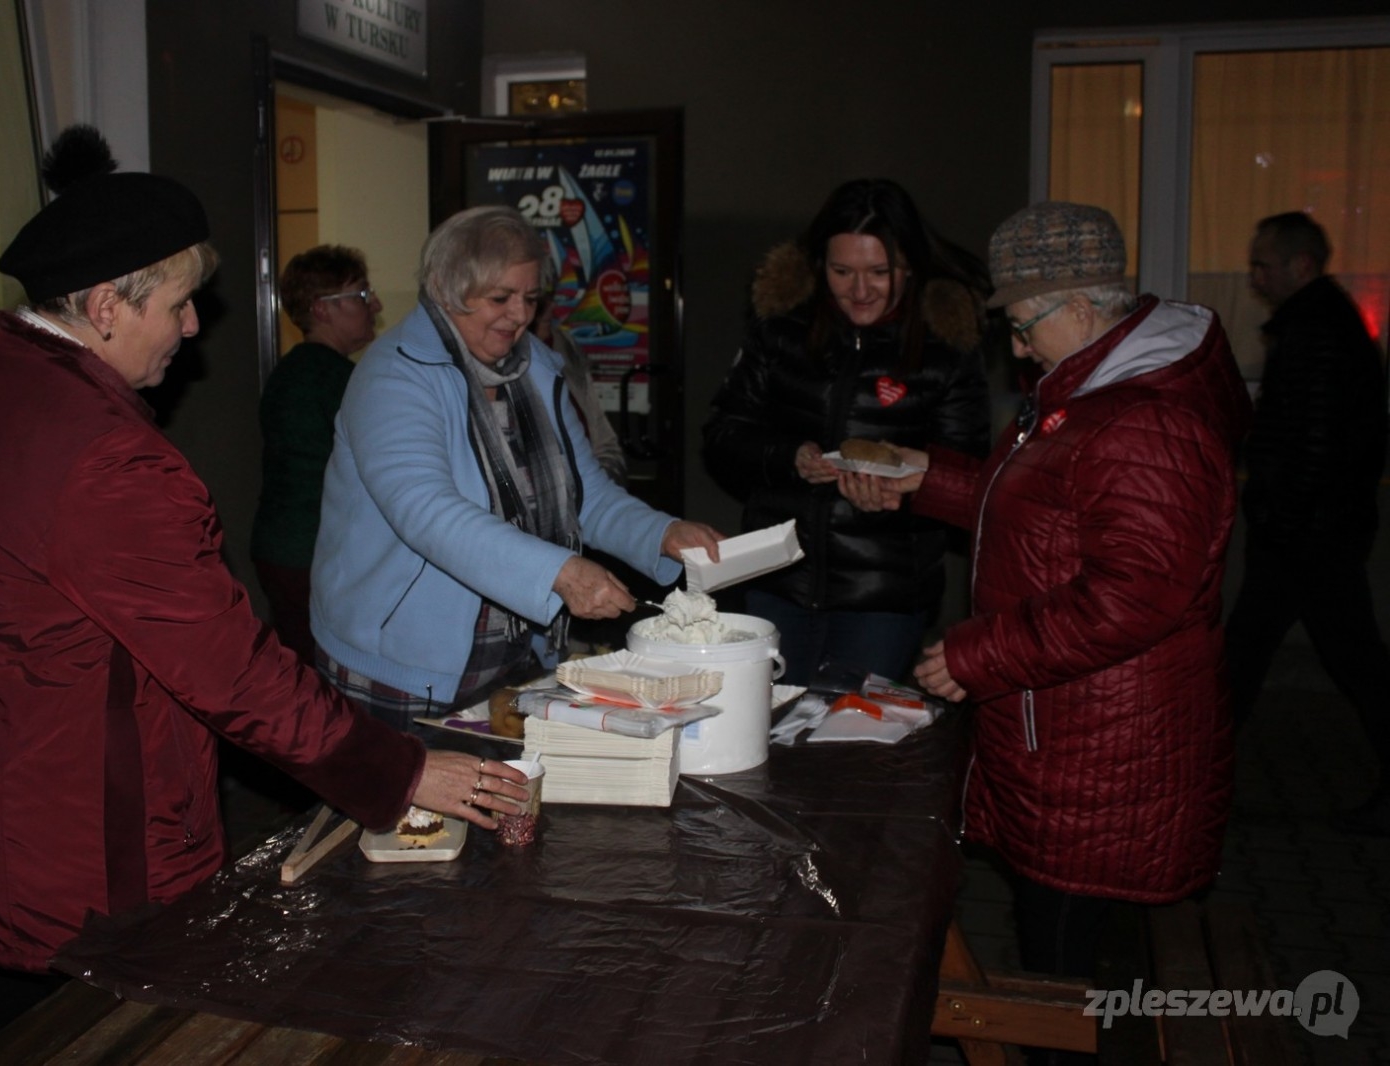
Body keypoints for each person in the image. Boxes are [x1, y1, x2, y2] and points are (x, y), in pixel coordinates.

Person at [0, 127, 526, 1066]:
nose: (192, 328)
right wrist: (397, 771)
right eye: (180, 304)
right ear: (107, 305)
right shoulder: (108, 457)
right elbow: (234, 673)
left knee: (42, 984)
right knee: (117, 1000)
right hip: (79, 807)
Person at [852, 203, 1250, 1063]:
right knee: (1073, 968)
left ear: (1079, 305)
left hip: (1105, 754)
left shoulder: (1145, 418)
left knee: (1068, 985)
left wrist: (978, 654)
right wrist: (926, 477)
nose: (1019, 346)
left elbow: (1136, 595)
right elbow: (1043, 510)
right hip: (1076, 735)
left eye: (1025, 324)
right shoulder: (1095, 392)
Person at [309, 205, 723, 730]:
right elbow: (426, 511)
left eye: (530, 298)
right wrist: (559, 572)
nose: (519, 315)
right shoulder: (393, 376)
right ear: (446, 289)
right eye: (500, 297)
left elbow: (584, 494)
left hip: (513, 649)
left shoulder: (535, 369)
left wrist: (661, 533)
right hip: (405, 660)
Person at [701, 178, 991, 686]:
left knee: (855, 730)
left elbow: (969, 480)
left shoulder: (946, 346)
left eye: (880, 272)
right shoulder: (781, 327)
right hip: (777, 581)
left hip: (884, 599)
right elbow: (723, 438)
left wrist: (901, 498)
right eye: (842, 272)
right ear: (820, 266)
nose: (860, 291)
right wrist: (789, 457)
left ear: (910, 266)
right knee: (770, 724)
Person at [1225, 211, 1390, 837]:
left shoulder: (1315, 331)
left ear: (1301, 265)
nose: (1255, 278)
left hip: (1306, 537)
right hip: (1314, 533)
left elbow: (1313, 444)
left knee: (1335, 660)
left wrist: (1279, 516)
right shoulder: (1322, 325)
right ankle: (1193, 777)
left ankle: (1190, 780)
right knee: (1338, 659)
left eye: (1263, 265)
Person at [251, 245, 383, 658]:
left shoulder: (292, 370)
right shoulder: (337, 379)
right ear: (322, 309)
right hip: (312, 553)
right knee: (323, 669)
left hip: (283, 548)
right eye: (361, 295)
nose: (375, 305)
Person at [531, 254, 628, 485]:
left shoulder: (565, 346)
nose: (551, 307)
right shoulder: (503, 361)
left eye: (551, 296)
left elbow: (604, 441)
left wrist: (602, 483)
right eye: (538, 300)